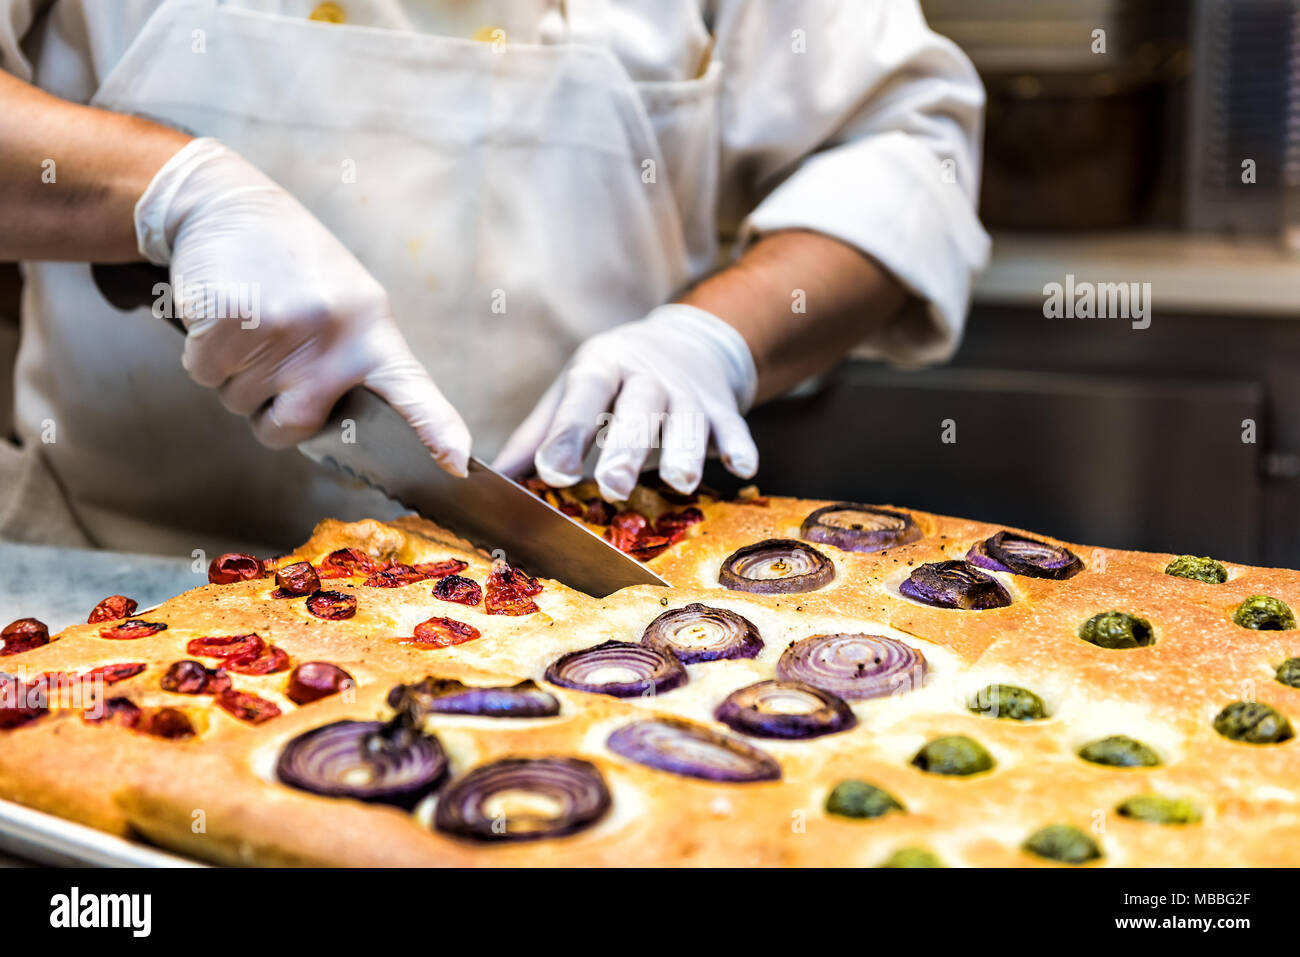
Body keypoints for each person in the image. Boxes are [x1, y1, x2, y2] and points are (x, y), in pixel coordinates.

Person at [0, 0, 989, 556]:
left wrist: (716, 337)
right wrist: (171, 190)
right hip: (111, 576)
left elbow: (902, 149)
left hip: (571, 593)